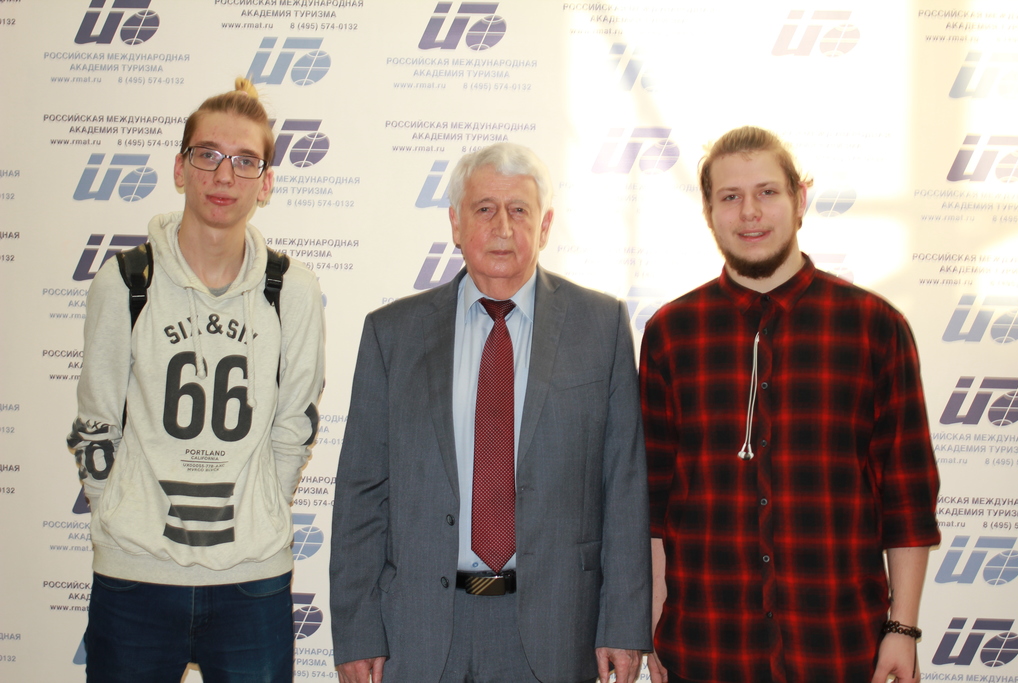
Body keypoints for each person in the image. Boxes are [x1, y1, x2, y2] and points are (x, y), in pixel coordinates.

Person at [329, 142, 651, 683]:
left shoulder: (600, 327)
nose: (502, 226)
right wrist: (358, 631)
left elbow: (623, 485)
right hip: (421, 629)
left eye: (519, 210)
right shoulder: (392, 334)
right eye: (484, 209)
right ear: (455, 223)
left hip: (556, 628)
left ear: (545, 226)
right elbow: (362, 492)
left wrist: (622, 622)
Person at [640, 126, 940, 683]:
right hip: (705, 649)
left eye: (767, 192)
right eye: (730, 197)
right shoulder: (671, 334)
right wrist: (655, 623)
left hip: (840, 649)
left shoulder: (874, 327)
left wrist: (902, 629)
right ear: (708, 212)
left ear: (800, 199)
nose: (749, 212)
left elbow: (908, 495)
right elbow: (656, 501)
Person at [67, 78, 326, 682]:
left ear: (266, 183)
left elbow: (294, 426)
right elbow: (96, 420)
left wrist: (261, 511)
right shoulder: (124, 281)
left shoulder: (292, 290)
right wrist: (121, 515)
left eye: (245, 161)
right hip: (134, 577)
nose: (224, 175)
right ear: (180, 168)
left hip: (252, 581)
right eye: (208, 155)